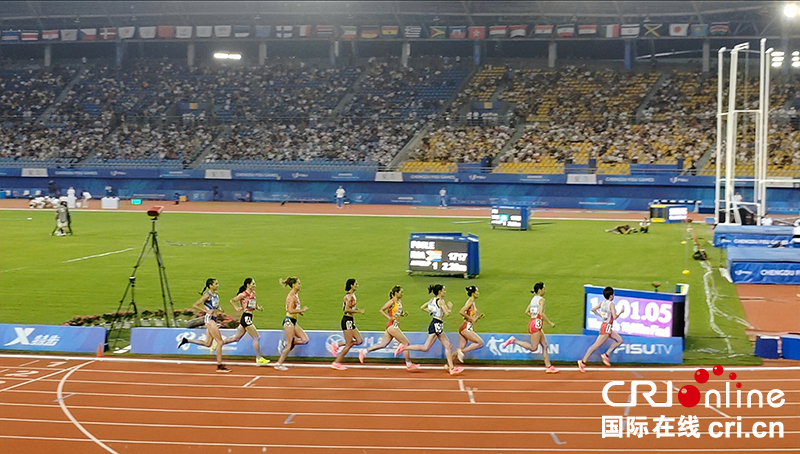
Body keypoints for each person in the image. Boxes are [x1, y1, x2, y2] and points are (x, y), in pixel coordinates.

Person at [399, 284, 464, 375]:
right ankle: (404, 347)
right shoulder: (441, 301)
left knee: (441, 346)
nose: (445, 292)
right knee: (437, 346)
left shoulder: (432, 300)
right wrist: (449, 307)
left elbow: (423, 307)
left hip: (436, 323)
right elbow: (447, 313)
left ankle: (451, 368)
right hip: (436, 324)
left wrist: (432, 312)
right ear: (440, 292)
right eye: (444, 290)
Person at [501, 282, 559, 373]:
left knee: (545, 345)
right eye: (543, 288)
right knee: (533, 347)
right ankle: (514, 341)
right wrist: (550, 323)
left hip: (534, 322)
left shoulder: (533, 299)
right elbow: (541, 313)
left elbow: (527, 312)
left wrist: (534, 318)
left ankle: (548, 366)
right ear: (539, 290)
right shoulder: (541, 300)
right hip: (536, 323)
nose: (544, 290)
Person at [358, 285, 419, 370]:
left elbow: (396, 312)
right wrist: (389, 317)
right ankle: (408, 364)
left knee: (383, 344)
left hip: (394, 325)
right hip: (392, 325)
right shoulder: (391, 302)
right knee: (406, 343)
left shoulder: (399, 302)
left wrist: (402, 314)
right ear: (396, 293)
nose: (402, 294)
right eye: (401, 292)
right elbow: (381, 310)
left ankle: (364, 351)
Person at [178, 278, 230, 373]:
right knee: (220, 342)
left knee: (208, 344)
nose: (217, 285)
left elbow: (215, 305)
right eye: (215, 284)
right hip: (209, 319)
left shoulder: (216, 295)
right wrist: (206, 311)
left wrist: (220, 309)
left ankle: (186, 340)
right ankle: (219, 365)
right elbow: (195, 305)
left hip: (214, 318)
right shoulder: (207, 295)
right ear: (210, 286)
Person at [219, 278, 270, 365]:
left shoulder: (253, 293)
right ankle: (259, 358)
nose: (254, 285)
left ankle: (219, 343)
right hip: (246, 317)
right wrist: (236, 307)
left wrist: (258, 307)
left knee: (236, 338)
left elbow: (253, 303)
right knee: (256, 337)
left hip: (248, 316)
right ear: (248, 285)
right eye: (253, 284)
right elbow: (232, 300)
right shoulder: (243, 294)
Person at [578, 286, 627, 373]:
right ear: (611, 296)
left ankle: (606, 355)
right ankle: (583, 361)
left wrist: (601, 315)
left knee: (619, 340)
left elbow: (593, 310)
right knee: (596, 346)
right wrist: (621, 312)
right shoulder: (611, 304)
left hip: (606, 326)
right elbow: (615, 317)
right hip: (607, 327)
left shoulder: (602, 303)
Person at [274, 276, 310, 371]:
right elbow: (289, 310)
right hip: (289, 321)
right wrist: (300, 310)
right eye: (298, 283)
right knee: (289, 346)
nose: (300, 285)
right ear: (294, 285)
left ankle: (285, 342)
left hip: (294, 321)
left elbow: (294, 308)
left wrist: (299, 312)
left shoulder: (296, 295)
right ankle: (279, 363)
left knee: (305, 340)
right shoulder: (291, 296)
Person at [331, 278, 365, 370]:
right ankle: (336, 362)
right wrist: (358, 311)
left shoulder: (352, 295)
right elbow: (346, 309)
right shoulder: (349, 296)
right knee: (349, 344)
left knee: (359, 341)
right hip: (347, 320)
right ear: (351, 285)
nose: (357, 285)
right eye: (355, 284)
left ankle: (338, 344)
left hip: (350, 320)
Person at [452, 286, 485, 364]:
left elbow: (470, 317)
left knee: (460, 349)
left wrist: (477, 318)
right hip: (466, 327)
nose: (478, 293)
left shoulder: (472, 302)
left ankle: (449, 365)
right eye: (477, 292)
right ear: (473, 293)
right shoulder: (470, 301)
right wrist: (471, 318)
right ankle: (460, 351)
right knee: (480, 343)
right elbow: (461, 311)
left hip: (465, 326)